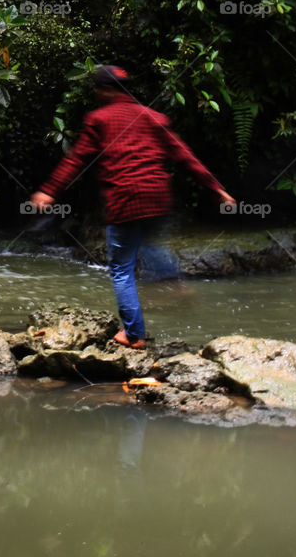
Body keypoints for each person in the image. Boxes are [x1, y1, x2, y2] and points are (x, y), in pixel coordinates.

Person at [28, 64, 236, 349]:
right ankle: (171, 278)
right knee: (149, 244)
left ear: (107, 90)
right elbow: (184, 155)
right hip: (159, 197)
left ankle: (134, 335)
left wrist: (49, 191)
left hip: (125, 199)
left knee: (121, 270)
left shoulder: (99, 119)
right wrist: (216, 188)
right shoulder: (152, 117)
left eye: (98, 88)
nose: (95, 93)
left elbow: (77, 159)